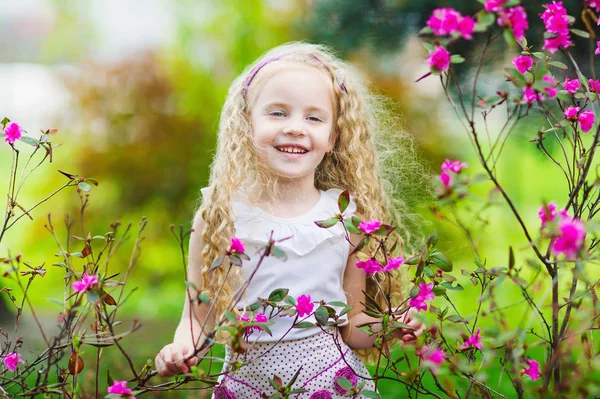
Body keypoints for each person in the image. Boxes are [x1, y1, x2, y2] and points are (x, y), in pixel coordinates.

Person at [155, 42, 423, 398]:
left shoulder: (345, 219)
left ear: (332, 138)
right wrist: (179, 351)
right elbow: (198, 319)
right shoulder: (220, 216)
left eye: (314, 118)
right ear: (245, 125)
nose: (296, 128)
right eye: (278, 113)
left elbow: (353, 326)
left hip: (333, 385)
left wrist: (390, 326)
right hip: (247, 387)